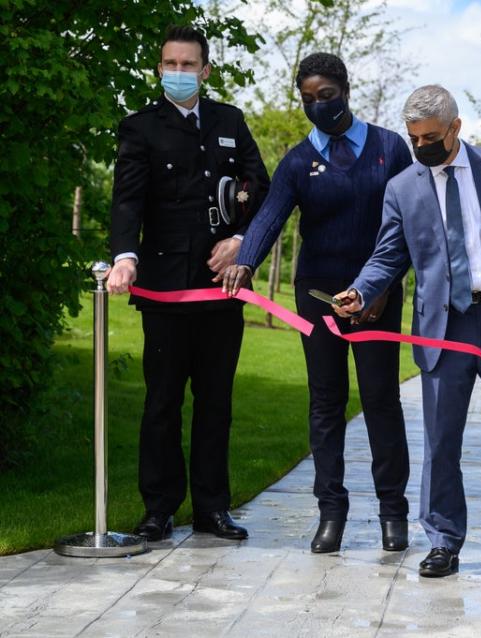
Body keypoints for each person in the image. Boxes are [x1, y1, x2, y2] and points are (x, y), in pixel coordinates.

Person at [332, 85, 481, 578]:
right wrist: (362, 292)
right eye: (414, 137)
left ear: (456, 128)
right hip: (441, 327)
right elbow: (388, 254)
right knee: (440, 442)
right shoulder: (402, 187)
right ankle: (444, 542)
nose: (421, 145)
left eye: (431, 136)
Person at [220, 52, 412, 554]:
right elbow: (268, 217)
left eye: (325, 95)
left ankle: (394, 512)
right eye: (307, 99)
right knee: (325, 404)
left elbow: (409, 227)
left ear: (346, 89)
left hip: (377, 295)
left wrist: (382, 287)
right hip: (318, 297)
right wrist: (247, 260)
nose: (317, 106)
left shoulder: (390, 149)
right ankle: (331, 511)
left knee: (379, 400)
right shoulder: (298, 159)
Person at [106, 25, 270, 541]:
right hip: (165, 286)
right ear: (160, 69)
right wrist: (124, 256)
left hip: (221, 286)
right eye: (169, 64)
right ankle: (158, 509)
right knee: (162, 403)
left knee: (216, 402)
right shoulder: (139, 128)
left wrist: (243, 240)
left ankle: (211, 509)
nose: (178, 73)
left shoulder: (229, 121)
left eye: (187, 65)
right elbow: (127, 199)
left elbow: (259, 186)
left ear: (205, 70)